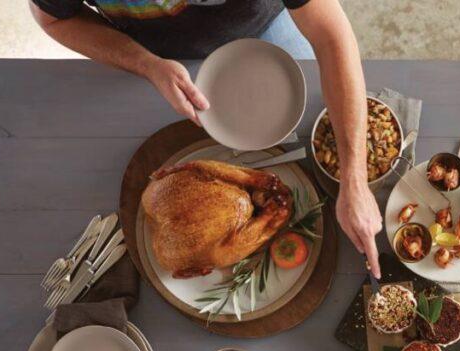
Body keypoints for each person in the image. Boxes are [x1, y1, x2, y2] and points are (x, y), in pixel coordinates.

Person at [29, 0, 384, 277]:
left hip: (267, 27)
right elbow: (53, 18)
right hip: (148, 53)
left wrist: (354, 181)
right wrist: (146, 64)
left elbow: (330, 35)